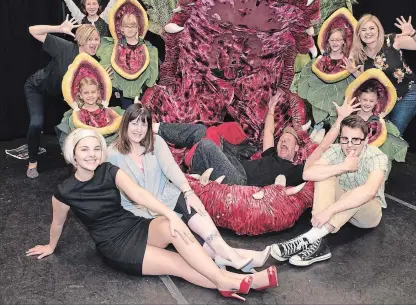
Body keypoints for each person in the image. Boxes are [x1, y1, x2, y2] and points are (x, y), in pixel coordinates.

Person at [25, 128, 278, 300]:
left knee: (174, 225)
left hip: (133, 226)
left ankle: (225, 278)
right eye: (84, 150)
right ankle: (231, 280)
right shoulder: (64, 191)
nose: (91, 154)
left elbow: (139, 196)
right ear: (73, 155)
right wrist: (50, 245)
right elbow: (57, 223)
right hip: (115, 245)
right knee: (177, 264)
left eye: (95, 149)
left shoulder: (109, 171)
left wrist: (169, 213)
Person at [107, 104, 271, 272]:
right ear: (125, 123)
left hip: (165, 195)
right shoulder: (111, 154)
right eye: (134, 123)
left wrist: (189, 192)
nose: (139, 129)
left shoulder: (156, 142)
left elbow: (171, 168)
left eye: (144, 124)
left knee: (191, 203)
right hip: (139, 210)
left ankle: (226, 252)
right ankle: (233, 255)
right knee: (183, 232)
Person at [270, 109, 388, 267]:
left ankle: (307, 239)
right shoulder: (336, 150)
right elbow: (308, 174)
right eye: (345, 139)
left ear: (366, 140)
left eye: (356, 140)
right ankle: (319, 244)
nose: (349, 145)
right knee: (324, 175)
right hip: (340, 205)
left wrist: (329, 211)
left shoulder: (377, 156)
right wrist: (343, 167)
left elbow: (369, 191)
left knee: (359, 192)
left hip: (367, 213)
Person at [153, 91, 306, 187]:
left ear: (297, 148)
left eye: (288, 140)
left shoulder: (293, 171)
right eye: (282, 140)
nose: (283, 141)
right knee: (201, 131)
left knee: (207, 145)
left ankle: (194, 178)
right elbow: (269, 131)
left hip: (240, 182)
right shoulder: (271, 155)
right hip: (234, 164)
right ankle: (155, 128)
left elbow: (316, 166)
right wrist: (271, 108)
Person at [25, 17, 100, 178]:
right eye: (90, 39)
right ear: (80, 41)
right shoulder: (64, 47)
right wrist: (59, 28)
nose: (94, 43)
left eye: (96, 39)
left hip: (62, 96)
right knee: (37, 123)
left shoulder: (93, 63)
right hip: (38, 89)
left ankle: (75, 160)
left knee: (74, 123)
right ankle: (32, 162)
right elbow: (32, 29)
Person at [345, 14, 416, 134]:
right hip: (385, 100)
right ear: (359, 34)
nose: (367, 32)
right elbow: (369, 81)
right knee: (378, 133)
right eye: (363, 30)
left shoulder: (392, 40)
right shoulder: (361, 55)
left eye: (371, 28)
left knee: (393, 133)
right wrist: (354, 72)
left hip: (407, 94)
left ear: (378, 29)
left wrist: (412, 32)